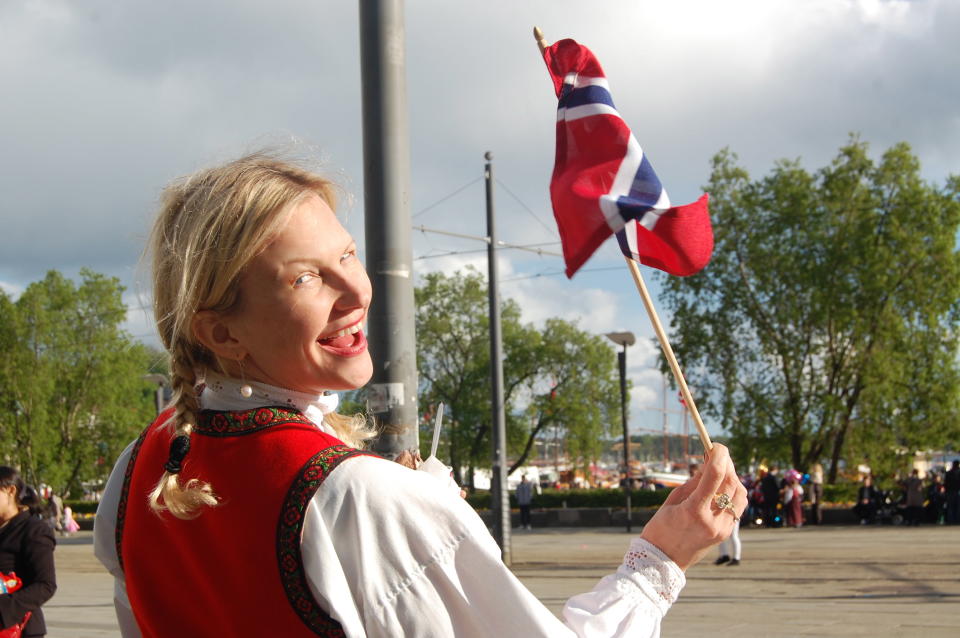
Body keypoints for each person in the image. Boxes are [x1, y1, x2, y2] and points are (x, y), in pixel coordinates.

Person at [92, 153, 747, 637]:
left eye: (347, 256)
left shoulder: (141, 467)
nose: (355, 293)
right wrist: (657, 562)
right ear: (221, 331)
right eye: (304, 279)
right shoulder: (354, 495)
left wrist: (417, 511)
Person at [0, 467, 57, 637]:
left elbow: (46, 585)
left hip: (20, 629)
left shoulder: (34, 531)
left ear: (10, 490)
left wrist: (2, 610)